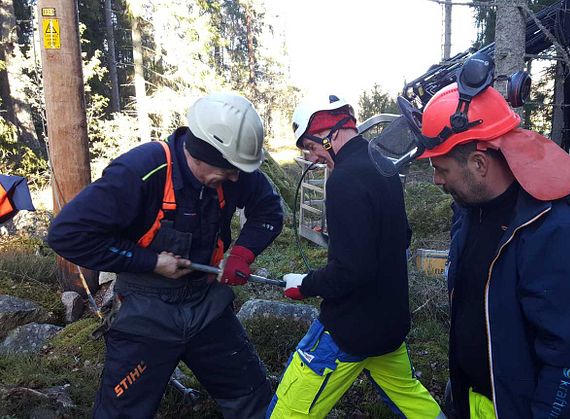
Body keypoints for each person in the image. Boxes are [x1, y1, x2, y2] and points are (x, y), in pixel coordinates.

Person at [47, 92, 283, 418]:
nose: (234, 179)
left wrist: (242, 254)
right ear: (201, 153)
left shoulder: (235, 171)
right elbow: (66, 234)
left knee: (256, 400)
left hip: (207, 306)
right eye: (229, 170)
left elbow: (269, 212)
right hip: (143, 311)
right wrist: (151, 262)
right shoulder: (141, 171)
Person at [416, 83, 570, 418]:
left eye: (442, 169)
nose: (438, 181)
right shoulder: (472, 209)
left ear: (479, 164)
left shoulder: (564, 231)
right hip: (478, 401)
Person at [267, 95, 445, 418]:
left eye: (310, 146)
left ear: (330, 134)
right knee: (415, 404)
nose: (312, 157)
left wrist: (304, 284)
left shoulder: (344, 179)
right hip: (390, 326)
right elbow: (401, 236)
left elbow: (352, 271)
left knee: (285, 412)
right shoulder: (383, 166)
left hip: (348, 331)